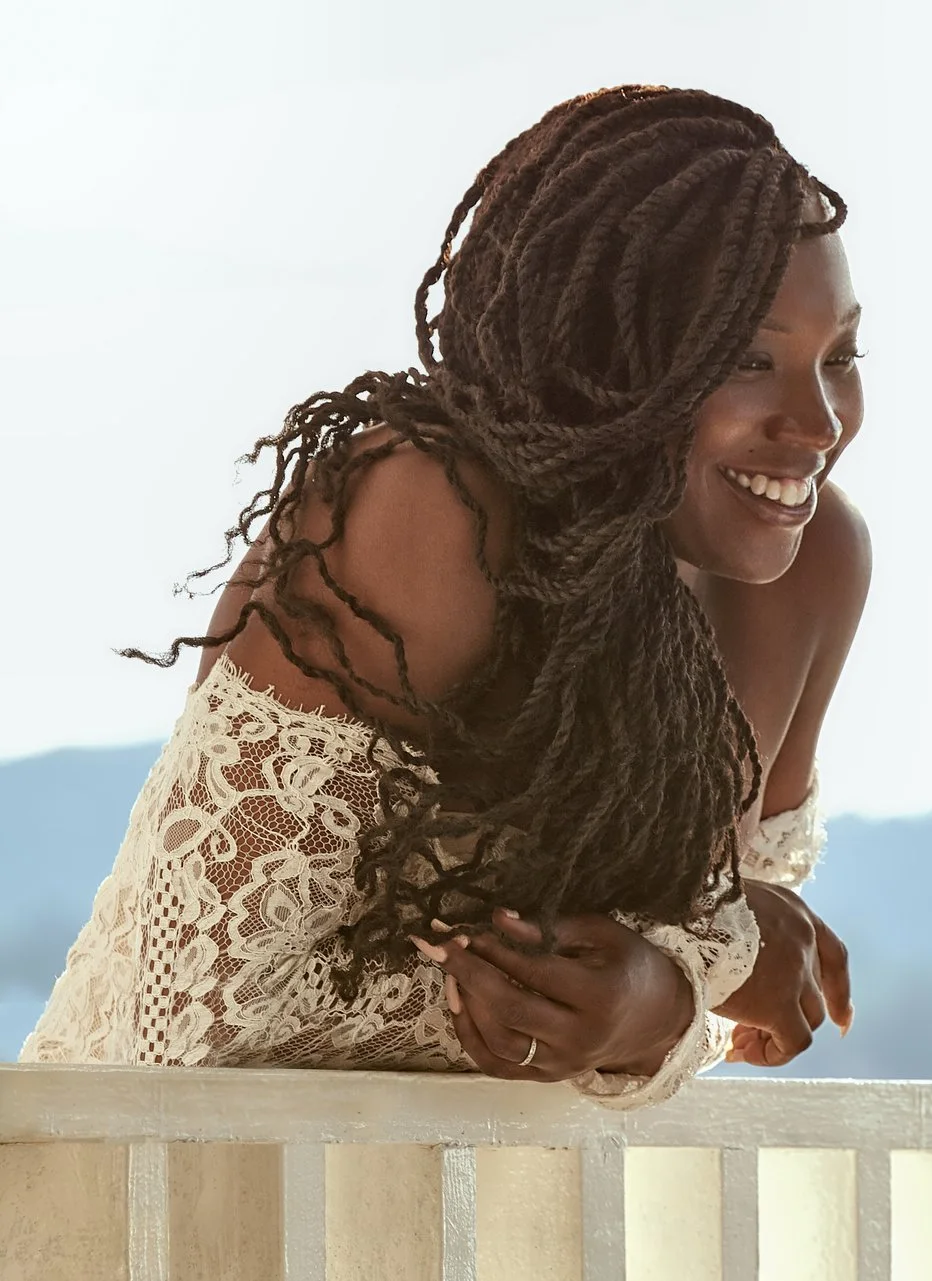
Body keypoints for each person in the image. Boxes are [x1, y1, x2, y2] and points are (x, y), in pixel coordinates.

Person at [21, 87, 868, 1104]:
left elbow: (731, 998)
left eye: (840, 357)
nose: (818, 422)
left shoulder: (812, 567)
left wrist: (666, 999)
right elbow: (190, 1023)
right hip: (150, 1182)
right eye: (748, 358)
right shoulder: (426, 510)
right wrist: (669, 988)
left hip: (514, 1202)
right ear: (603, 351)